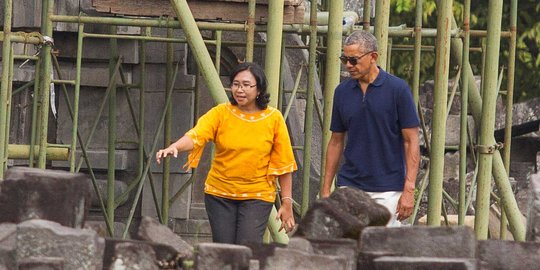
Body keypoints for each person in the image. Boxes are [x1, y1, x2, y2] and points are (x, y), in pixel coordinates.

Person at [156, 62, 297, 244]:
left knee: (247, 247)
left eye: (246, 85)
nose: (240, 90)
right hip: (219, 194)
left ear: (259, 89)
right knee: (224, 249)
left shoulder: (274, 118)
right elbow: (197, 134)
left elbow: (284, 164)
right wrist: (175, 147)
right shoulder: (221, 113)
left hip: (257, 195)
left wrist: (287, 203)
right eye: (236, 84)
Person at [320, 30, 420, 226]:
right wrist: (325, 190)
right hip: (349, 186)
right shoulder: (341, 92)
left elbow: (411, 141)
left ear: (373, 57)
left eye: (354, 60)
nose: (348, 65)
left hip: (389, 190)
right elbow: (336, 141)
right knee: (347, 248)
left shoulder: (398, 90)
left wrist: (409, 189)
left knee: (382, 249)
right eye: (344, 59)